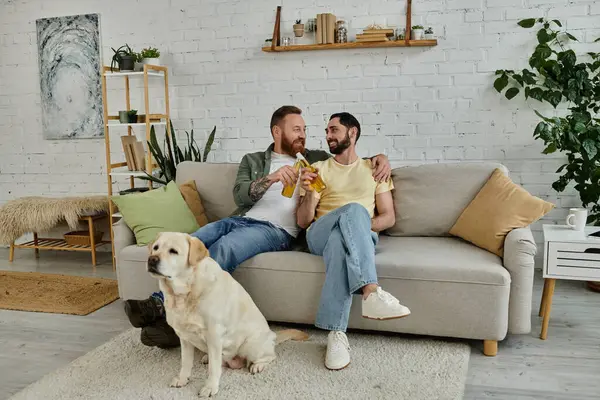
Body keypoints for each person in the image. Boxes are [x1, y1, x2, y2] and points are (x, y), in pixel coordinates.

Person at [124, 105, 394, 348]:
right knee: (190, 243)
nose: (304, 135)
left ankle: (161, 305)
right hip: (239, 218)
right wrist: (272, 178)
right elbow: (240, 196)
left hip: (275, 230)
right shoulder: (253, 160)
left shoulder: (315, 158)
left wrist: (381, 157)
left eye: (305, 130)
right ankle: (170, 319)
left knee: (225, 248)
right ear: (277, 131)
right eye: (296, 129)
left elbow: (348, 157)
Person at [296, 112, 411, 371]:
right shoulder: (318, 170)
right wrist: (310, 194)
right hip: (318, 235)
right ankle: (371, 292)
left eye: (334, 130)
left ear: (353, 133)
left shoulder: (374, 168)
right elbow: (303, 222)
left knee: (342, 237)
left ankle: (336, 335)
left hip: (355, 237)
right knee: (353, 212)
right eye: (326, 131)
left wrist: (353, 226)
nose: (328, 136)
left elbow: (388, 217)